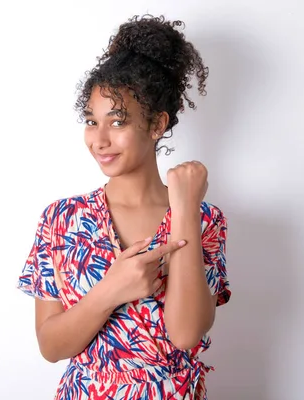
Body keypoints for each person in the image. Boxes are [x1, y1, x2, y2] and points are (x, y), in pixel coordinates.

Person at [17, 14, 231, 400]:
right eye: (90, 121)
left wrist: (183, 210)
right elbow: (51, 346)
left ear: (156, 125)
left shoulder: (204, 219)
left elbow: (185, 334)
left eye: (116, 122)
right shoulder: (61, 219)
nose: (99, 140)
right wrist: (112, 289)